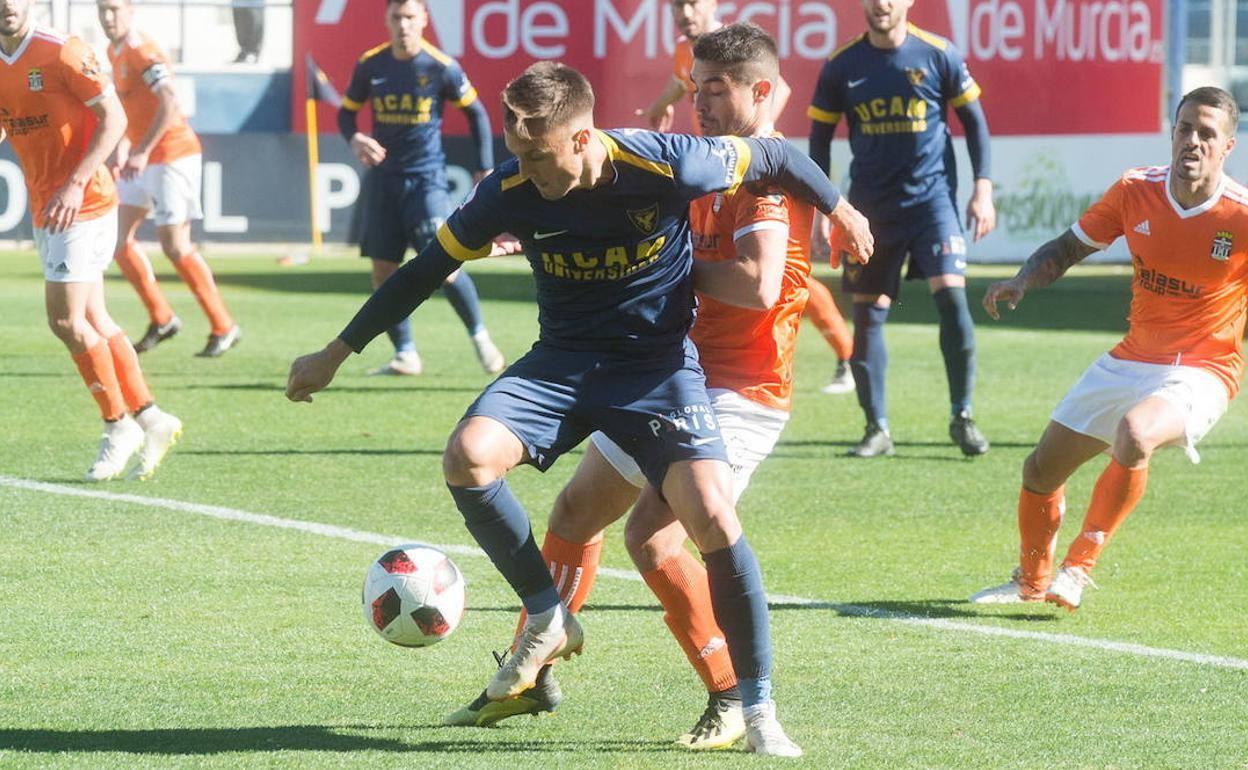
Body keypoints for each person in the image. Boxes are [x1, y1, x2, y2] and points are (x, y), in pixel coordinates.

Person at [288, 61, 873, 756]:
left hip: (656, 371)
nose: (529, 171)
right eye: (519, 155)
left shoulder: (668, 163)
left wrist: (841, 208)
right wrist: (335, 352)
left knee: (711, 515)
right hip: (561, 364)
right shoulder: (505, 189)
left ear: (583, 138)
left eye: (540, 156)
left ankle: (759, 709)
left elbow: (774, 154)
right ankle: (547, 616)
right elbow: (424, 272)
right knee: (469, 457)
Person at [443, 23, 850, 750]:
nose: (701, 102)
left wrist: (646, 264)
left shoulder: (763, 177)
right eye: (696, 86)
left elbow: (756, 287)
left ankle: (735, 698)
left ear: (761, 92)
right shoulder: (694, 162)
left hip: (743, 389)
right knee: (572, 513)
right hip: (667, 368)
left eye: (717, 89)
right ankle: (531, 669)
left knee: (652, 540)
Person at [970, 87, 1248, 611]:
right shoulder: (1135, 189)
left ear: (1227, 145)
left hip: (1205, 368)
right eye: (1185, 128)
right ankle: (1030, 581)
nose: (1192, 141)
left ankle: (1078, 567)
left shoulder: (1240, 216)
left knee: (1135, 433)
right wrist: (1022, 281)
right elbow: (1068, 246)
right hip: (1133, 356)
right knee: (1039, 471)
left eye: (1206, 133)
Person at [0, 0, 182, 481]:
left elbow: (114, 118)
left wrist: (77, 181)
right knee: (94, 317)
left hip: (81, 201)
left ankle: (117, 425)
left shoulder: (63, 51)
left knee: (65, 320)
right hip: (50, 203)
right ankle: (150, 417)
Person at [808, 0, 997, 456]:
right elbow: (819, 142)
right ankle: (877, 429)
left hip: (932, 204)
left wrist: (983, 188)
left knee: (952, 300)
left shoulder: (939, 53)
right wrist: (823, 210)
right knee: (869, 316)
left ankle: (963, 416)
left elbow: (975, 123)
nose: (881, 4)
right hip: (871, 210)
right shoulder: (841, 66)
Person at [639, 0, 856, 395]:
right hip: (710, 166)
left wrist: (749, 142)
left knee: (784, 279)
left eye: (716, 90)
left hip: (737, 163)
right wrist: (661, 104)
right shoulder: (688, 53)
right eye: (676, 5)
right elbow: (680, 83)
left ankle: (846, 355)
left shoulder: (736, 50)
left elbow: (775, 104)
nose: (684, 13)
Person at [338, 0, 503, 377]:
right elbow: (346, 111)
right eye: (397, 17)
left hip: (426, 181)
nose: (403, 25)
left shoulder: (440, 66)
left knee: (444, 266)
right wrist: (355, 138)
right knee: (383, 270)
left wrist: (483, 167)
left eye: (410, 17)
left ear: (424, 20)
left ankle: (481, 339)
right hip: (383, 180)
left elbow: (476, 113)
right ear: (387, 19)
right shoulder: (371, 64)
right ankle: (405, 354)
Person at [98, 0, 242, 358]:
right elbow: (132, 108)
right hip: (142, 156)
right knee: (116, 241)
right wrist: (126, 144)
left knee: (175, 245)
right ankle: (162, 318)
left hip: (173, 156)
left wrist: (142, 148)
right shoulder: (112, 51)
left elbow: (170, 102)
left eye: (115, 9)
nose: (108, 17)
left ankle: (224, 326)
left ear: (131, 11)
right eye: (102, 9)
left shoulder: (143, 51)